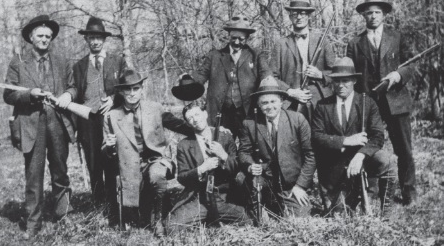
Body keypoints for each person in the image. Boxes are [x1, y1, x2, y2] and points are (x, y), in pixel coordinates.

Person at [3, 15, 76, 238]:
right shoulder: (18, 62)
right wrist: (29, 94)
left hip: (57, 123)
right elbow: (8, 94)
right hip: (31, 126)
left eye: (48, 36)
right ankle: (33, 224)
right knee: (33, 176)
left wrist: (67, 95)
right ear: (31, 37)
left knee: (60, 173)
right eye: (40, 35)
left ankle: (63, 217)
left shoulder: (62, 60)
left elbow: (73, 87)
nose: (44, 39)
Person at [101, 70, 194, 237]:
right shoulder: (111, 116)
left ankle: (159, 220)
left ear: (142, 89)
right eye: (127, 90)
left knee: (157, 175)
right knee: (136, 219)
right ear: (121, 92)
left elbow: (177, 125)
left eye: (135, 88)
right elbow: (106, 152)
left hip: (155, 160)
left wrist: (206, 130)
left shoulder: (155, 108)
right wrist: (108, 147)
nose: (131, 93)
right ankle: (141, 214)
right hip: (128, 164)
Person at [346, 0, 417, 205]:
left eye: (377, 12)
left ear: (384, 14)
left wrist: (399, 75)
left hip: (397, 102)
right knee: (369, 146)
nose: (373, 16)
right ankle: (372, 191)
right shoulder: (355, 43)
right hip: (369, 104)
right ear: (363, 16)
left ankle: (408, 193)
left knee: (404, 149)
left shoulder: (397, 37)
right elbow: (351, 75)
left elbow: (412, 63)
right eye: (369, 13)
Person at [311, 57, 396, 215]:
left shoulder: (367, 103)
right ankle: (346, 201)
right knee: (338, 214)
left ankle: (386, 214)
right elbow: (316, 136)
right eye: (336, 81)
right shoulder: (322, 106)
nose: (341, 85)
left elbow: (378, 135)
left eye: (345, 81)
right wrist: (346, 141)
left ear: (354, 80)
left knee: (388, 160)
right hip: (334, 169)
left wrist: (361, 155)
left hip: (361, 162)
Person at [238, 76, 316, 221]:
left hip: (290, 185)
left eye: (273, 101)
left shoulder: (297, 120)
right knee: (259, 220)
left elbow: (311, 156)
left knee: (298, 219)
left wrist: (300, 186)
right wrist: (250, 166)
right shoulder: (249, 124)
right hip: (264, 181)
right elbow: (243, 152)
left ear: (281, 101)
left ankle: (282, 204)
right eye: (264, 103)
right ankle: (258, 206)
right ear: (259, 105)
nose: (269, 106)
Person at [168, 100, 250, 233]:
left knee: (246, 219)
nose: (195, 120)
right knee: (172, 227)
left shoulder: (225, 137)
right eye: (190, 118)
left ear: (205, 114)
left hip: (224, 195)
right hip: (200, 197)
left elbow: (237, 168)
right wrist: (201, 169)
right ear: (188, 123)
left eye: (197, 115)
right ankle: (211, 217)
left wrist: (223, 155)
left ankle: (214, 217)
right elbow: (182, 177)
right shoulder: (184, 145)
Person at [72, 17, 128, 209]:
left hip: (111, 118)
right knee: (93, 162)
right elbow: (75, 93)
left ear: (104, 40)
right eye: (91, 38)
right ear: (86, 40)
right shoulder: (79, 66)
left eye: (98, 38)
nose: (95, 41)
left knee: (111, 159)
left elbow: (128, 86)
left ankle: (114, 203)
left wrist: (113, 99)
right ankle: (99, 204)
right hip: (87, 120)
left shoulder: (118, 61)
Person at [191, 15, 273, 138]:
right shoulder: (214, 56)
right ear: (228, 36)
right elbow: (200, 76)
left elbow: (266, 74)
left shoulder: (256, 55)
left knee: (249, 146)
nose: (237, 42)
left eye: (241, 39)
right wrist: (188, 82)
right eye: (233, 38)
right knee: (221, 146)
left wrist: (268, 85)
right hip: (221, 113)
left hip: (248, 111)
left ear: (247, 38)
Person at [271, 0, 336, 122]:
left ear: (308, 16)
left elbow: (335, 73)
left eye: (303, 13)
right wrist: (290, 91)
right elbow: (272, 77)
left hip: (321, 101)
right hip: (291, 103)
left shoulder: (322, 41)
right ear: (290, 16)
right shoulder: (281, 44)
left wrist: (320, 75)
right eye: (295, 14)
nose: (299, 17)